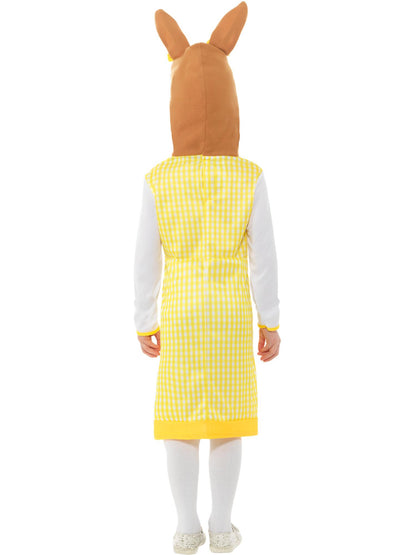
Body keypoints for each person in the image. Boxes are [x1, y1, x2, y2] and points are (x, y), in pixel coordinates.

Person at [133, 3, 281, 553]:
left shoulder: (158, 179)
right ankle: (222, 525)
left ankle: (184, 527)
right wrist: (271, 321)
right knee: (226, 418)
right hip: (229, 313)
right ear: (230, 103)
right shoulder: (249, 176)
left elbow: (144, 259)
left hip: (180, 314)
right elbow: (264, 257)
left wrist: (144, 320)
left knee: (179, 419)